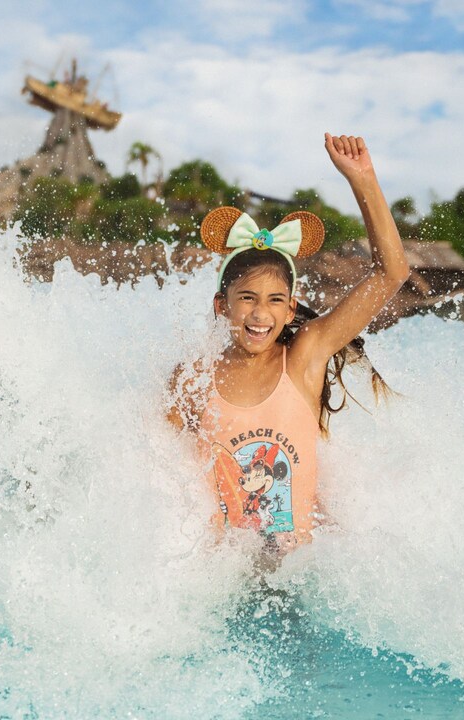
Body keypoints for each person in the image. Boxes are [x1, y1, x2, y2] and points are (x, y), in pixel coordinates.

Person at [168, 133, 409, 552]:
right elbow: (165, 478)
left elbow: (391, 274)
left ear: (291, 308)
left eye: (275, 300)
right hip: (225, 574)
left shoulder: (303, 359)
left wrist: (363, 179)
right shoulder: (192, 378)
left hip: (301, 573)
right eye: (247, 298)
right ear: (222, 305)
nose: (261, 314)